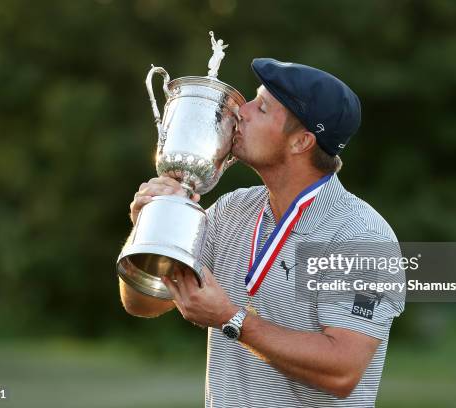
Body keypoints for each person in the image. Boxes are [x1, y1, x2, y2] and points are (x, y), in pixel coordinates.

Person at [120, 58, 405, 407]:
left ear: (301, 142)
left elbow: (343, 370)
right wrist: (151, 227)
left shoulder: (361, 236)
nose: (242, 112)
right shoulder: (232, 210)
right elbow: (142, 302)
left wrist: (231, 319)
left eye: (263, 107)